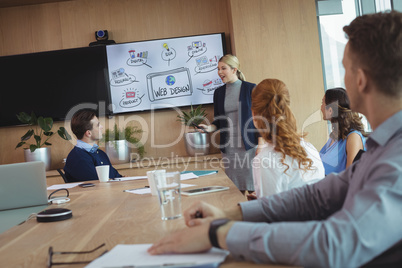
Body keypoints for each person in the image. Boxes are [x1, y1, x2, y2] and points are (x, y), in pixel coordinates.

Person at [148, 11, 402, 267]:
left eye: (345, 69)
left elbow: (334, 244)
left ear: (360, 79)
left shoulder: (396, 159)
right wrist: (230, 214)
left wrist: (219, 234)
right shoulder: (384, 145)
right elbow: (316, 197)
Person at [251, 79, 324, 198]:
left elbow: (271, 213)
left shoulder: (264, 160)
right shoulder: (309, 147)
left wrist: (259, 205)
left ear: (254, 113)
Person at [199, 54, 258, 193]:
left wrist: (260, 144)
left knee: (253, 189)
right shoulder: (218, 93)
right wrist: (209, 128)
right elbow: (219, 122)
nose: (219, 72)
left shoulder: (251, 88)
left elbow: (260, 119)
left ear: (234, 69)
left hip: (249, 147)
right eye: (218, 69)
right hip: (229, 149)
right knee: (234, 192)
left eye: (223, 68)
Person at [64, 109, 122, 182]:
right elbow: (97, 182)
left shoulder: (101, 154)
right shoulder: (77, 158)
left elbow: (117, 176)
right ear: (88, 133)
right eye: (98, 125)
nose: (101, 127)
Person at [320, 87, 367, 175]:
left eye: (322, 102)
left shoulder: (353, 138)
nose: (321, 107)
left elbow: (350, 178)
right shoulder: (334, 136)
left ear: (330, 110)